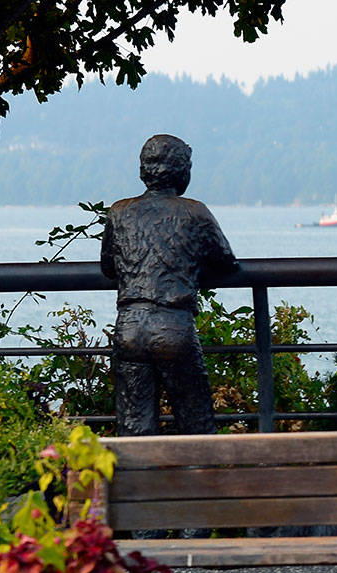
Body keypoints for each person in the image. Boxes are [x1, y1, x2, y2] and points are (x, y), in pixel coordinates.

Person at [101, 134, 238, 437]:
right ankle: (199, 480)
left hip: (130, 325)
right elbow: (226, 261)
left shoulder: (119, 212)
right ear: (183, 171)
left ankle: (137, 482)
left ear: (143, 171)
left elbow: (108, 266)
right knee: (196, 422)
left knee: (134, 427)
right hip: (174, 324)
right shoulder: (194, 212)